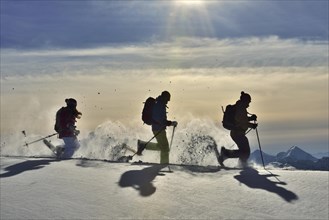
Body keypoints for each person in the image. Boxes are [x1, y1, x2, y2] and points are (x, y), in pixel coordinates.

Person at [137, 91, 177, 164]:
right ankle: (164, 164)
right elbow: (160, 120)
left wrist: (168, 123)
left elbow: (160, 119)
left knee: (161, 146)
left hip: (157, 128)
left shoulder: (159, 104)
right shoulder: (159, 105)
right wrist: (171, 123)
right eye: (167, 99)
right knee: (165, 148)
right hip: (159, 129)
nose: (168, 102)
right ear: (164, 97)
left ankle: (143, 145)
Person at [220, 91, 257, 168]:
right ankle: (227, 154)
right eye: (248, 101)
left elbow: (241, 119)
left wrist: (250, 118)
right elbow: (241, 121)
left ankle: (240, 163)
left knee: (244, 151)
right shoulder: (241, 108)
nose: (249, 104)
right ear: (245, 101)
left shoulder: (240, 107)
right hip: (238, 133)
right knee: (245, 152)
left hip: (237, 133)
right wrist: (252, 125)